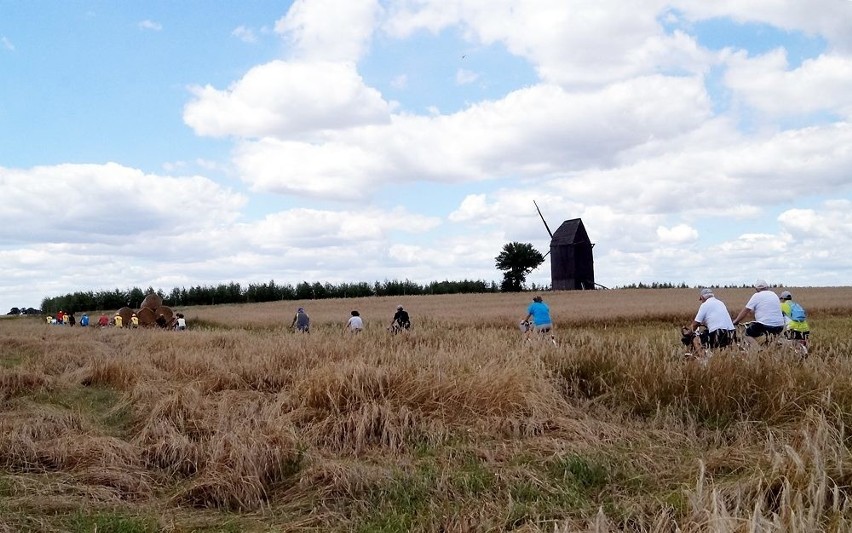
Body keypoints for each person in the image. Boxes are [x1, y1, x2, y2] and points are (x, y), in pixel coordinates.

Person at [732, 279, 785, 346]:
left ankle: (757, 350)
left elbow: (746, 310)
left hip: (765, 325)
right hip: (780, 325)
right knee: (769, 343)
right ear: (767, 287)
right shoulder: (774, 294)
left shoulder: (756, 296)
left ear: (756, 288)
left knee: (747, 334)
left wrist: (736, 321)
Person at [682, 288, 735, 354]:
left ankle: (704, 361)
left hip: (718, 333)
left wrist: (688, 333)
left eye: (701, 299)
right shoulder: (720, 303)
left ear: (702, 297)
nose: (701, 301)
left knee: (696, 340)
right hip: (731, 332)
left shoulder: (704, 305)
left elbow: (696, 323)